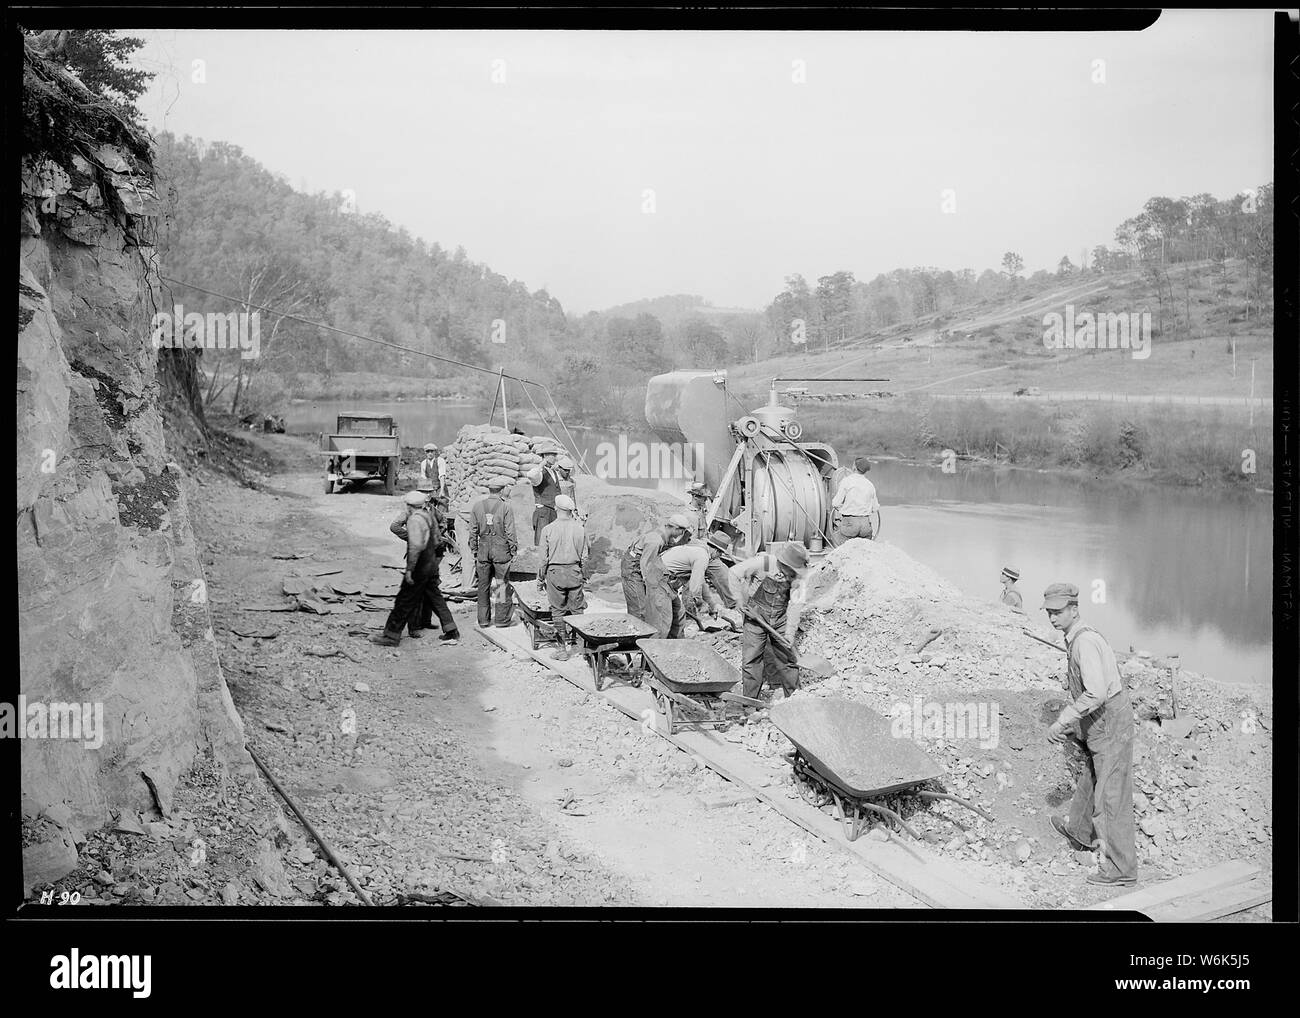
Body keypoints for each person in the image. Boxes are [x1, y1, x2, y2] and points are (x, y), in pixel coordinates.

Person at [1042, 583, 1138, 887]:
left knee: (1110, 797)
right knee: (1091, 775)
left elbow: (1096, 692)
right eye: (1049, 612)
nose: (1053, 618)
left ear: (1074, 609)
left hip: (1109, 721)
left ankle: (1120, 869)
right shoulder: (1077, 637)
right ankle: (1081, 833)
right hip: (1100, 721)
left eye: (1058, 612)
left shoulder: (1084, 642)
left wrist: (1064, 720)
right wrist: (1079, 724)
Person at [372, 491, 459, 647]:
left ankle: (391, 636)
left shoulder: (414, 520)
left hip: (421, 565)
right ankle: (451, 629)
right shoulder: (429, 516)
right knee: (435, 597)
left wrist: (410, 570)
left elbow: (416, 547)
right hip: (432, 562)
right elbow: (438, 540)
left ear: (409, 505)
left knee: (404, 600)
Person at [730, 541, 810, 701]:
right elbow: (733, 572)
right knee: (751, 659)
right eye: (791, 570)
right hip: (754, 616)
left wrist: (789, 633)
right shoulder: (764, 562)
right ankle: (750, 703)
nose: (792, 574)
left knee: (788, 659)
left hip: (780, 619)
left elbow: (795, 606)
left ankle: (794, 700)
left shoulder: (798, 578)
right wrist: (738, 599)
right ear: (783, 563)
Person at [621, 513, 694, 639]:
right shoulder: (655, 541)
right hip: (634, 569)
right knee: (640, 608)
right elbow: (646, 567)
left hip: (645, 566)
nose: (682, 534)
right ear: (676, 529)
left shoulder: (666, 536)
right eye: (682, 531)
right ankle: (637, 641)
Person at [536, 494, 588, 660]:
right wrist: (582, 574)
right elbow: (585, 557)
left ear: (557, 508)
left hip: (555, 574)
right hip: (574, 572)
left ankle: (561, 650)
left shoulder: (548, 529)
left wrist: (540, 579)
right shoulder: (580, 529)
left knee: (557, 612)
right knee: (577, 610)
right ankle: (581, 646)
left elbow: (543, 559)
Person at [470, 476, 519, 628]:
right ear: (502, 490)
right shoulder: (506, 507)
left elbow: (472, 531)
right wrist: (513, 550)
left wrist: (475, 550)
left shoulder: (477, 506)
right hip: (501, 552)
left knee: (483, 586)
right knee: (501, 585)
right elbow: (510, 532)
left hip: (483, 551)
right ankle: (501, 620)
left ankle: (483, 621)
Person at [830, 457, 879, 545]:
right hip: (865, 525)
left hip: (849, 523)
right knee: (863, 552)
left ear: (854, 467)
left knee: (844, 551)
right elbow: (875, 508)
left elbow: (835, 503)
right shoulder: (870, 485)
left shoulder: (847, 481)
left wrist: (843, 507)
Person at [525, 447, 562, 545]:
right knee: (542, 542)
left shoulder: (553, 472)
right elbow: (531, 475)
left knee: (553, 542)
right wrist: (542, 464)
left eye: (555, 455)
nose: (555, 458)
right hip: (543, 512)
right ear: (545, 456)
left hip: (553, 511)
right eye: (553, 455)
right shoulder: (539, 472)